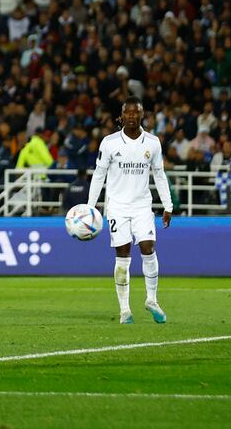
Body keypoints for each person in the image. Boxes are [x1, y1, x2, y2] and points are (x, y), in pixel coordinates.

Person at [87, 96, 173, 325]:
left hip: (142, 205)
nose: (132, 116)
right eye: (128, 113)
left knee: (148, 246)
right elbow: (99, 174)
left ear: (142, 115)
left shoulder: (153, 142)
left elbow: (160, 175)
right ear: (122, 116)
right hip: (116, 207)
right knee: (122, 254)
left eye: (136, 113)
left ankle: (151, 300)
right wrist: (90, 206)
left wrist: (168, 205)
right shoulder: (109, 142)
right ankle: (125, 310)